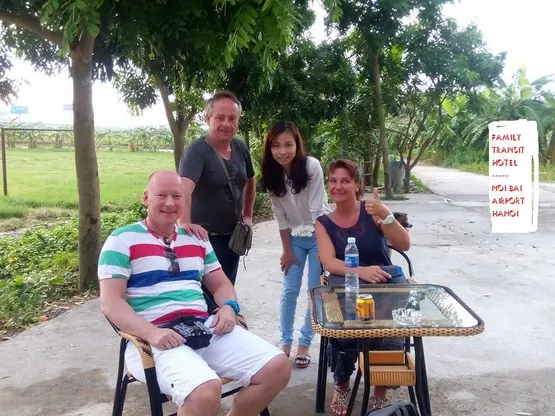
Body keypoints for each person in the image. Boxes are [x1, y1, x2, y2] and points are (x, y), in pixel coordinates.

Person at [99, 170, 290, 416]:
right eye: (161, 195)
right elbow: (111, 303)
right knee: (204, 392)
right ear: (146, 198)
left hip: (203, 329)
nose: (170, 203)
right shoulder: (122, 240)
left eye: (177, 196)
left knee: (277, 367)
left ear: (185, 201)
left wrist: (229, 307)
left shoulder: (196, 238)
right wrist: (152, 333)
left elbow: (220, 285)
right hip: (154, 340)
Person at [314, 159, 411, 415]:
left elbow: (404, 244)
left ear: (357, 185)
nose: (338, 186)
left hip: (384, 285)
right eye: (333, 180)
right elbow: (329, 262)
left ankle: (381, 388)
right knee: (340, 327)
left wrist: (385, 214)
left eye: (345, 180)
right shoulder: (323, 223)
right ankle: (342, 383)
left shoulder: (372, 211)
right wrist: (361, 271)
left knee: (390, 325)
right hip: (346, 284)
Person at [260, 121, 331, 369]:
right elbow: (280, 216)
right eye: (276, 146)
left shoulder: (311, 166)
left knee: (314, 289)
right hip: (294, 237)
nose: (283, 151)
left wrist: (325, 250)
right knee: (289, 290)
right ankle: (285, 342)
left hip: (320, 234)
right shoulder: (272, 174)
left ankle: (305, 343)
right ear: (270, 149)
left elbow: (317, 210)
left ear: (297, 145)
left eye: (288, 145)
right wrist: (287, 250)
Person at [178, 91, 255, 308]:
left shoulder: (240, 147)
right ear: (208, 118)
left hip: (233, 237)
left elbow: (250, 181)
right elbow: (184, 190)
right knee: (204, 299)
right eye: (220, 117)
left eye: (232, 118)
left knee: (226, 288)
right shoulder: (197, 152)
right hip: (204, 240)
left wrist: (247, 215)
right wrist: (184, 224)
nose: (226, 124)